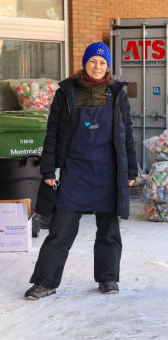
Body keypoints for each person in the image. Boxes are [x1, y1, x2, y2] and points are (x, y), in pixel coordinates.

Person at [25, 42, 137, 299]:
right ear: (85, 62)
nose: (98, 66)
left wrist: (131, 170)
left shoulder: (116, 92)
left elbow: (127, 133)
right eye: (93, 61)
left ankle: (108, 278)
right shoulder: (66, 92)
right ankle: (45, 281)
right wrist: (49, 170)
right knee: (61, 230)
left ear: (108, 66)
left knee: (109, 230)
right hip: (74, 171)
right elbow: (52, 132)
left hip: (107, 172)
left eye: (103, 62)